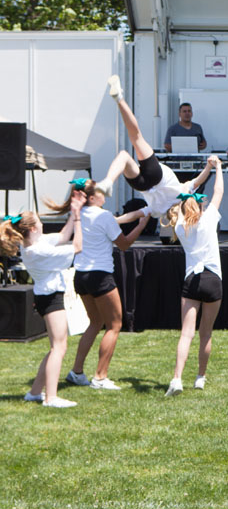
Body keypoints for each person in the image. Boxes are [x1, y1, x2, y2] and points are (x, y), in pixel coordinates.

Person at [49, 179, 150, 390]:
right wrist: (141, 225)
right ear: (92, 197)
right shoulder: (103, 216)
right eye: (102, 192)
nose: (106, 194)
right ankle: (100, 377)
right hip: (100, 276)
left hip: (81, 277)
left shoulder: (79, 214)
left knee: (95, 323)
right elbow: (124, 245)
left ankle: (77, 372)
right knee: (114, 325)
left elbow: (114, 224)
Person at [1, 193, 85, 407]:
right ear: (32, 229)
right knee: (59, 347)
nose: (42, 223)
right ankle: (51, 397)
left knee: (56, 347)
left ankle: (36, 392)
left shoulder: (34, 243)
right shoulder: (39, 250)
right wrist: (77, 220)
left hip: (46, 296)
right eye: (39, 221)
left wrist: (74, 212)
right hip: (50, 298)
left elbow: (64, 236)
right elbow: (77, 247)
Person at [96, 76, 215, 217]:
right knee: (124, 155)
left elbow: (198, 180)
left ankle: (108, 181)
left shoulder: (183, 193)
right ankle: (108, 182)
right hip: (143, 185)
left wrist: (210, 165)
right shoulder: (158, 212)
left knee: (136, 137)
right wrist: (114, 220)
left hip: (157, 177)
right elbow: (133, 215)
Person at [162, 156, 225, 396]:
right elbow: (218, 191)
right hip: (212, 280)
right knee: (205, 333)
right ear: (199, 206)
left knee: (186, 333)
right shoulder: (208, 219)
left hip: (192, 281)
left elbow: (183, 199)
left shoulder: (179, 226)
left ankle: (177, 378)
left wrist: (203, 173)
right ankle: (200, 377)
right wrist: (217, 167)